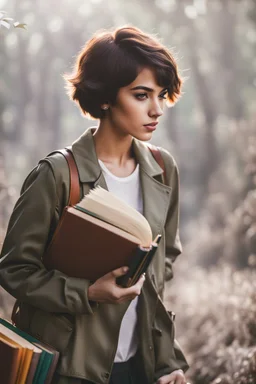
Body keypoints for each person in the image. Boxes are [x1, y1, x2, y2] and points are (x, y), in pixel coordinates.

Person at [0, 26, 189, 384]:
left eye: (161, 95)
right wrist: (86, 293)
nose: (157, 109)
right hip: (71, 367)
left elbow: (160, 272)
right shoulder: (57, 174)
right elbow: (14, 269)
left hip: (140, 367)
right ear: (104, 97)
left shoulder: (164, 169)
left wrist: (167, 362)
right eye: (141, 95)